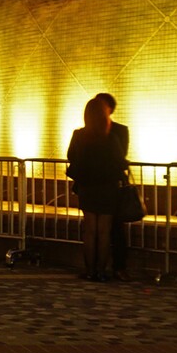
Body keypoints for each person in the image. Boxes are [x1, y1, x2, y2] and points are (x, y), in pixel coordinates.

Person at [66, 96, 127, 281]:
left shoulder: (79, 135)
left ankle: (89, 271)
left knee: (90, 231)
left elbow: (71, 156)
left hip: (87, 187)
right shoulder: (111, 137)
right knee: (104, 231)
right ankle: (101, 271)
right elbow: (119, 162)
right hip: (108, 188)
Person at [95, 92, 132, 280]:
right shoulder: (86, 131)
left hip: (109, 185)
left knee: (115, 228)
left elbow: (120, 156)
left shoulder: (118, 130)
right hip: (103, 184)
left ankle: (116, 267)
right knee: (100, 229)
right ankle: (99, 268)